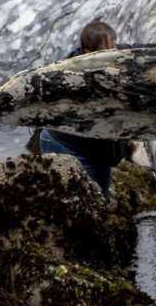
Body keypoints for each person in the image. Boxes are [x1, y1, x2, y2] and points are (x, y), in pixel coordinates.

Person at [37, 20, 131, 196]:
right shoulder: (74, 78)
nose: (112, 53)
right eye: (106, 50)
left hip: (95, 149)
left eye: (114, 46)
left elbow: (144, 49)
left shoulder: (113, 56)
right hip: (66, 144)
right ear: (89, 52)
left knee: (98, 196)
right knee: (75, 199)